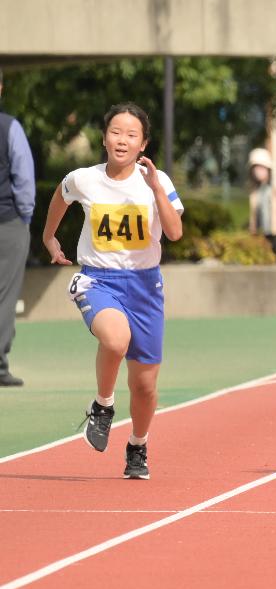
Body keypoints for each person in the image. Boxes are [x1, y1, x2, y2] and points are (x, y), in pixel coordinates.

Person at [39, 103, 184, 478]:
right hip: (99, 279)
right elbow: (61, 194)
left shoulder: (158, 181)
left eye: (131, 135)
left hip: (145, 286)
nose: (122, 140)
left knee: (145, 386)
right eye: (116, 132)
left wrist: (155, 189)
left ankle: (137, 444)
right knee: (115, 339)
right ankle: (103, 406)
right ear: (104, 139)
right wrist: (49, 235)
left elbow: (175, 233)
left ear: (143, 144)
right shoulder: (85, 179)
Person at [0, 72, 32, 388]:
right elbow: (23, 177)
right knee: (4, 296)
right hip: (6, 222)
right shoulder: (9, 127)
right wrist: (25, 217)